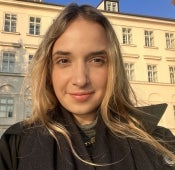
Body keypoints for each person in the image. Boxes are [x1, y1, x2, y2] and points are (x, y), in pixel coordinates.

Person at [0, 3, 175, 170]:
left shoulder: (161, 143)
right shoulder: (15, 145)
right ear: (48, 71)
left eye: (97, 60)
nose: (80, 79)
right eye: (64, 61)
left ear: (114, 68)